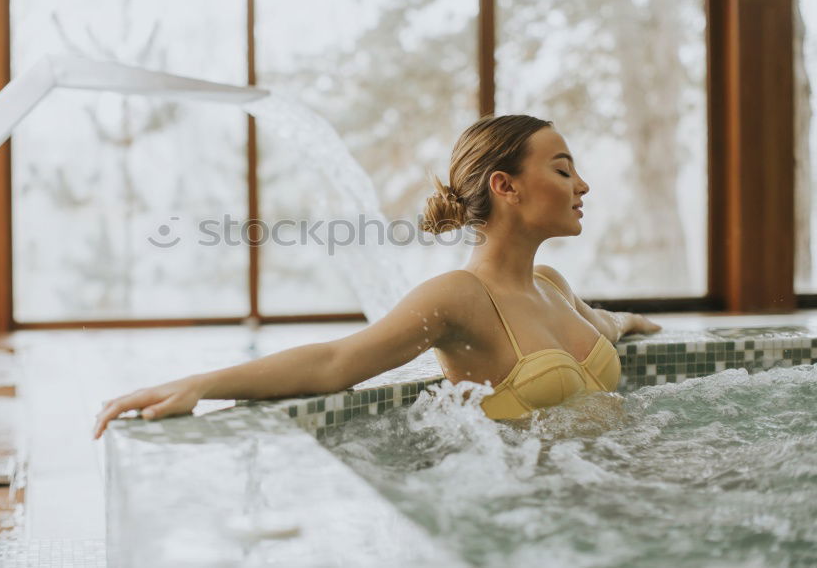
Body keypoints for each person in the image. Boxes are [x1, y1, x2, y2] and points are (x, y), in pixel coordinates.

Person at [92, 114, 662, 439]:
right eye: (563, 170)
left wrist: (632, 321)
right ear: (504, 186)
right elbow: (338, 361)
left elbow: (604, 326)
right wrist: (201, 383)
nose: (582, 186)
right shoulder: (460, 297)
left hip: (622, 484)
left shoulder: (553, 284)